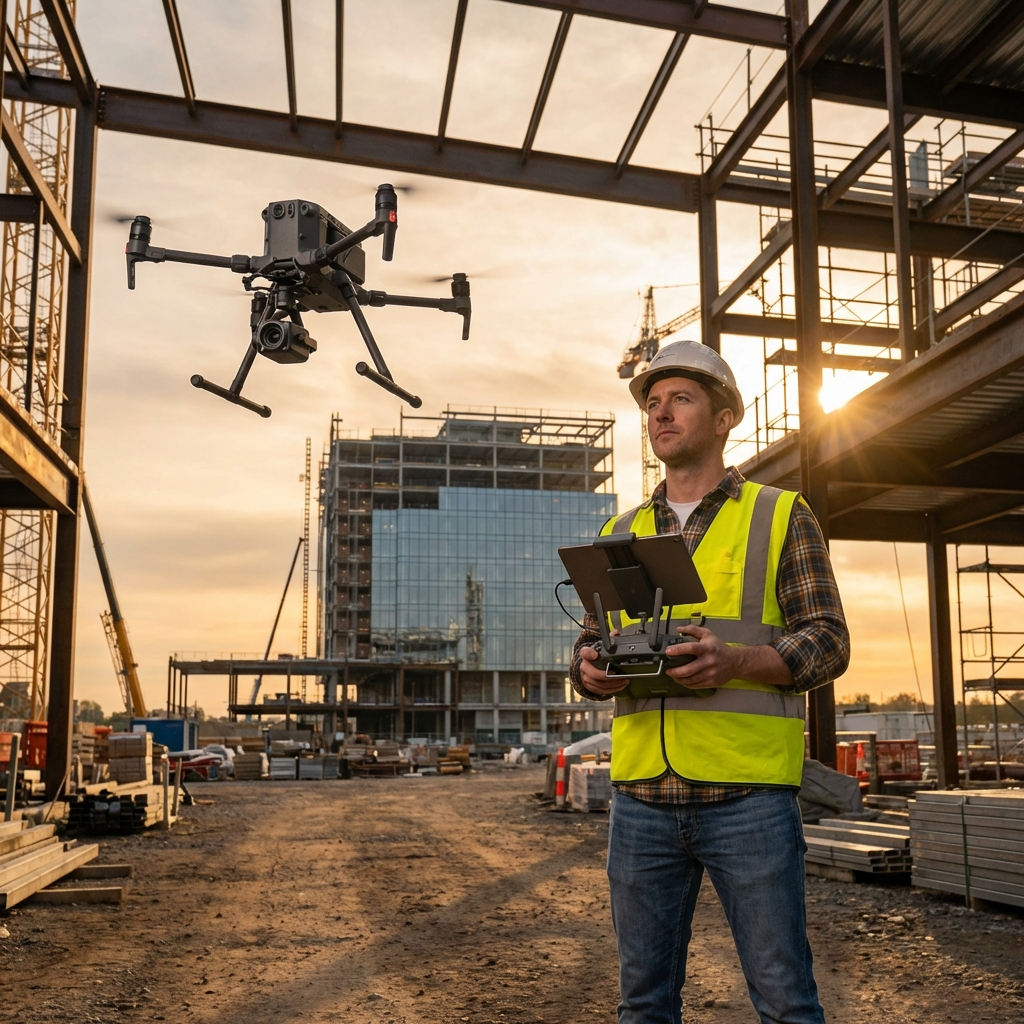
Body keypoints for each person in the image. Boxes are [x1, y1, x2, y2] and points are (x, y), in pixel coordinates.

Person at [571, 340, 850, 1024]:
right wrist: (586, 668)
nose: (661, 413)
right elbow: (592, 637)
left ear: (725, 419)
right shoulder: (622, 529)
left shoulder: (780, 514)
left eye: (681, 399)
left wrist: (739, 662)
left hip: (747, 797)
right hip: (641, 798)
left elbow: (829, 641)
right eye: (653, 403)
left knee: (785, 1001)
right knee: (642, 1005)